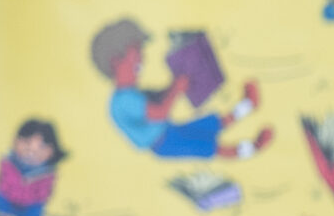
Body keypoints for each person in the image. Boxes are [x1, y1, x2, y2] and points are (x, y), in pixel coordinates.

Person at [89, 16, 271, 160]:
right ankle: (253, 148)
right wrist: (177, 88)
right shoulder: (124, 100)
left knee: (209, 125)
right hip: (164, 142)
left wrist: (175, 85)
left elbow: (157, 100)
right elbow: (159, 112)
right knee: (209, 147)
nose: (142, 57)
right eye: (136, 52)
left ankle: (248, 105)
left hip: (166, 133)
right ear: (116, 61)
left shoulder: (129, 94)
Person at [0, 116, 68, 216]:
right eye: (27, 143)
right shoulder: (9, 163)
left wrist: (35, 193)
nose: (32, 150)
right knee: (3, 203)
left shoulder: (46, 173)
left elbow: (45, 192)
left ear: (51, 151)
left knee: (34, 211)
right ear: (16, 141)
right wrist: (17, 186)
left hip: (30, 202)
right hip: (9, 198)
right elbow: (2, 182)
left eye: (41, 146)